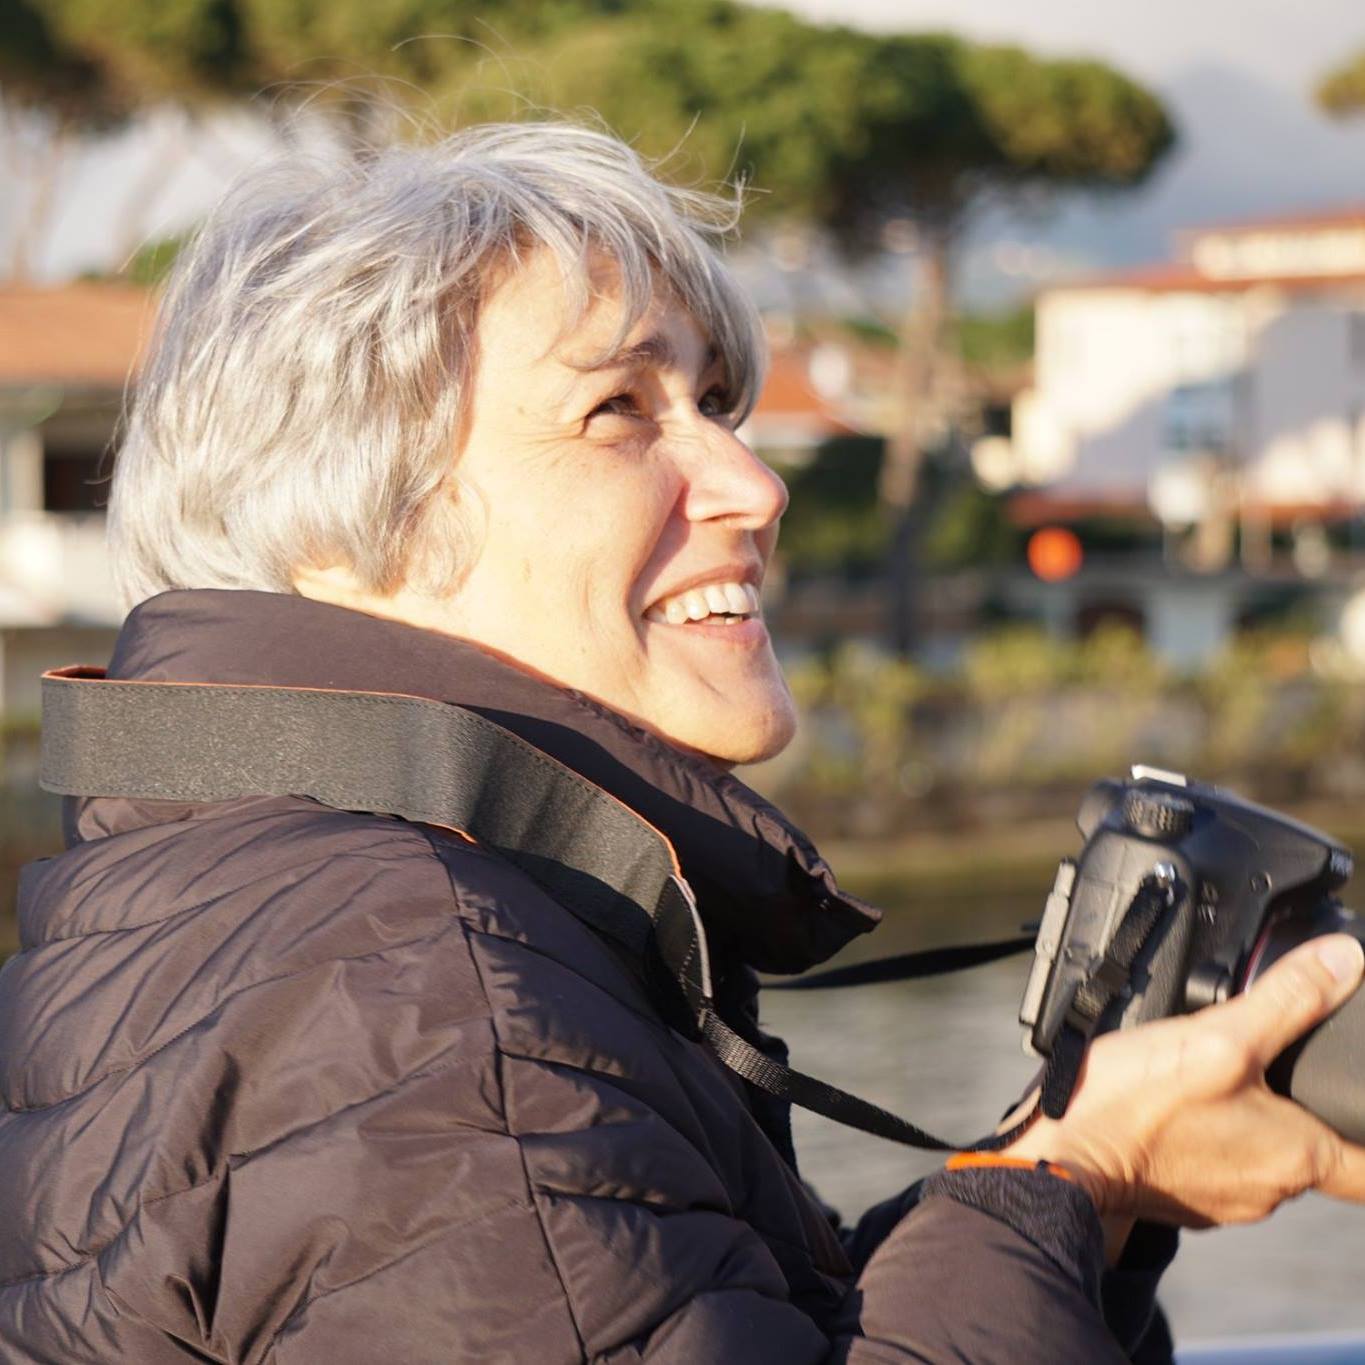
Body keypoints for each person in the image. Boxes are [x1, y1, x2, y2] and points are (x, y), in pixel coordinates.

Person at [2, 122, 1364, 1365]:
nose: (754, 484)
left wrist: (1069, 1193)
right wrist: (1076, 1175)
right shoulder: (413, 988)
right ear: (342, 531)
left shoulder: (288, 904)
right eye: (618, 411)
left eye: (715, 403)